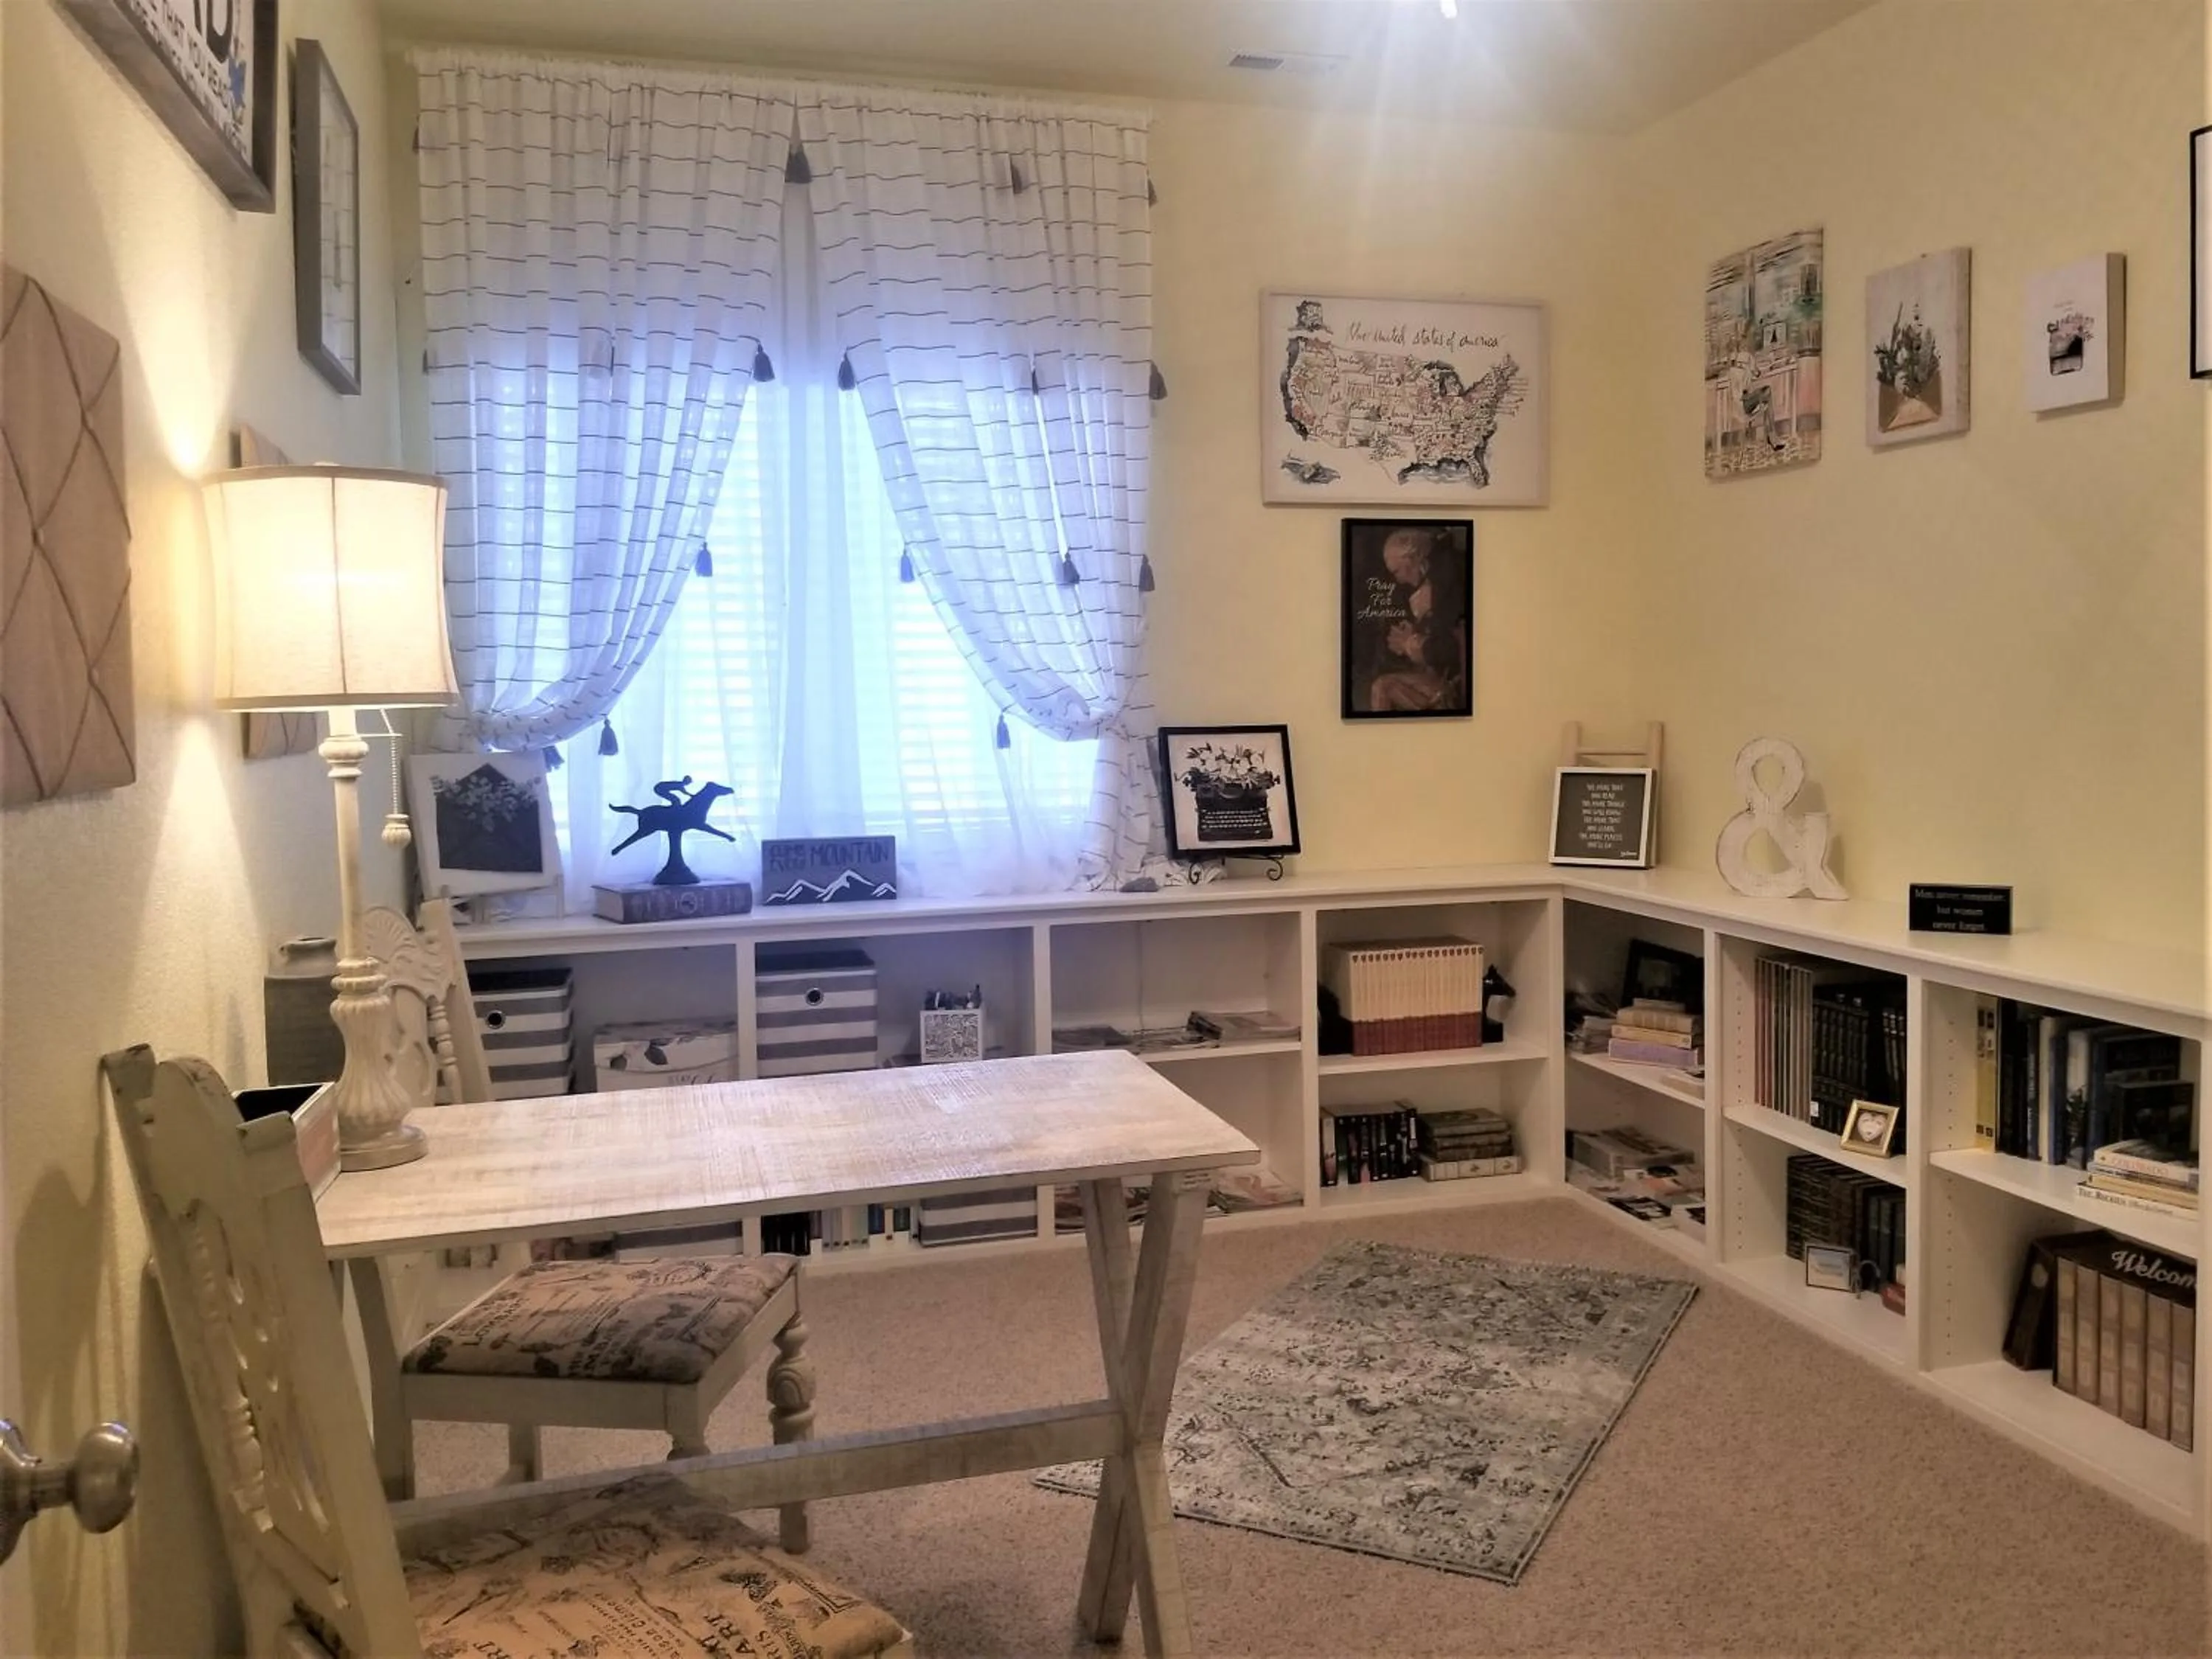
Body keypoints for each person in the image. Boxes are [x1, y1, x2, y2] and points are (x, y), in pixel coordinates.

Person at [1359, 526, 1468, 712]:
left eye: (1397, 572)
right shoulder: (1431, 582)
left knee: (1382, 688)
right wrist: (1413, 639)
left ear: (1413, 558)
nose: (1399, 580)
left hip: (1456, 684)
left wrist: (1413, 646)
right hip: (1443, 678)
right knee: (1382, 685)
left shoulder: (1444, 581)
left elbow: (1452, 648)